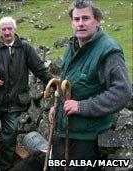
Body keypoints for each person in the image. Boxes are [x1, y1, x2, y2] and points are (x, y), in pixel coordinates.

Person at [48, 0, 132, 171]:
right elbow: (69, 84)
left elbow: (122, 92)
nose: (80, 23)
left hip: (87, 139)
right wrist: (56, 107)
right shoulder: (72, 45)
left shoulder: (108, 51)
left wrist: (82, 106)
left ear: (98, 20)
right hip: (64, 131)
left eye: (85, 18)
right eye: (76, 19)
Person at [0, 16, 52, 171]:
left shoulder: (25, 48)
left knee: (8, 139)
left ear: (14, 30)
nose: (7, 32)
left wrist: (54, 83)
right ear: (0, 31)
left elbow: (39, 69)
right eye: (3, 29)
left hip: (14, 104)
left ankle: (3, 168)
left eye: (9, 28)